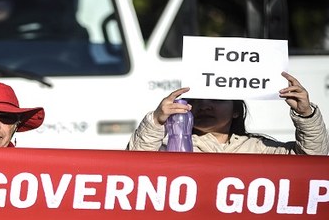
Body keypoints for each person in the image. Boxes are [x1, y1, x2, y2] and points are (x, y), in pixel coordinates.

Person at [127, 72, 328, 154]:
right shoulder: (170, 149)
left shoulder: (259, 149)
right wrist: (155, 120)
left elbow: (312, 160)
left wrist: (306, 115)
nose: (204, 105)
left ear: (236, 111)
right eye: (195, 100)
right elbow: (133, 167)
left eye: (216, 99)